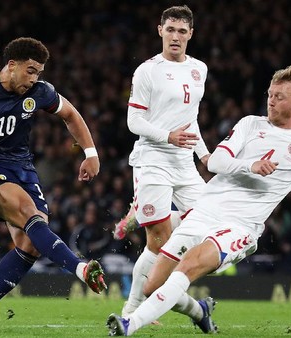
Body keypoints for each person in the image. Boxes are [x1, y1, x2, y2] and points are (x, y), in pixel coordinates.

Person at [107, 64, 291, 336]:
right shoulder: (250, 124)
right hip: (203, 212)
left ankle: (129, 324)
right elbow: (215, 161)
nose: (271, 102)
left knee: (189, 264)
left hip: (240, 226)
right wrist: (249, 165)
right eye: (269, 94)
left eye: (279, 97)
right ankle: (200, 312)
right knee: (151, 286)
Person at [0, 37, 107, 329]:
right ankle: (80, 268)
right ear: (11, 65)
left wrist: (90, 153)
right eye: (30, 70)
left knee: (30, 245)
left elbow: (70, 114)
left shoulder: (40, 92)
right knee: (29, 212)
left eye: (39, 72)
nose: (34, 78)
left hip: (23, 168)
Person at [113, 5, 211, 319]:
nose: (175, 37)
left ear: (191, 34)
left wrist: (204, 154)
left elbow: (191, 120)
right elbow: (133, 121)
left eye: (182, 31)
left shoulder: (200, 70)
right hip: (152, 161)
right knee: (158, 241)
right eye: (170, 30)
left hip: (185, 164)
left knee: (209, 228)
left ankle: (140, 210)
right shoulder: (147, 71)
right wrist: (168, 136)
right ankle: (134, 311)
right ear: (160, 31)